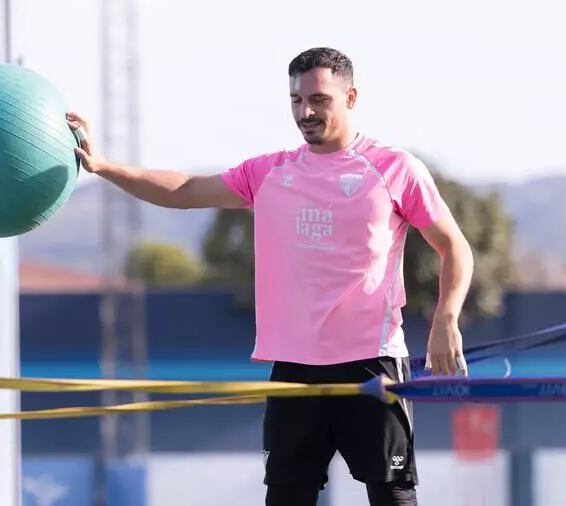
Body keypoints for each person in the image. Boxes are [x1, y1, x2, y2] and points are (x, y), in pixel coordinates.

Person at [66, 47, 473, 506]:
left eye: (319, 99)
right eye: (297, 100)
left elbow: (454, 248)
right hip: (293, 369)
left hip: (372, 363)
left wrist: (446, 319)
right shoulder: (269, 172)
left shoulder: (394, 168)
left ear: (351, 97)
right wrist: (103, 168)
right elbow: (184, 190)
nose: (306, 111)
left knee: (394, 498)